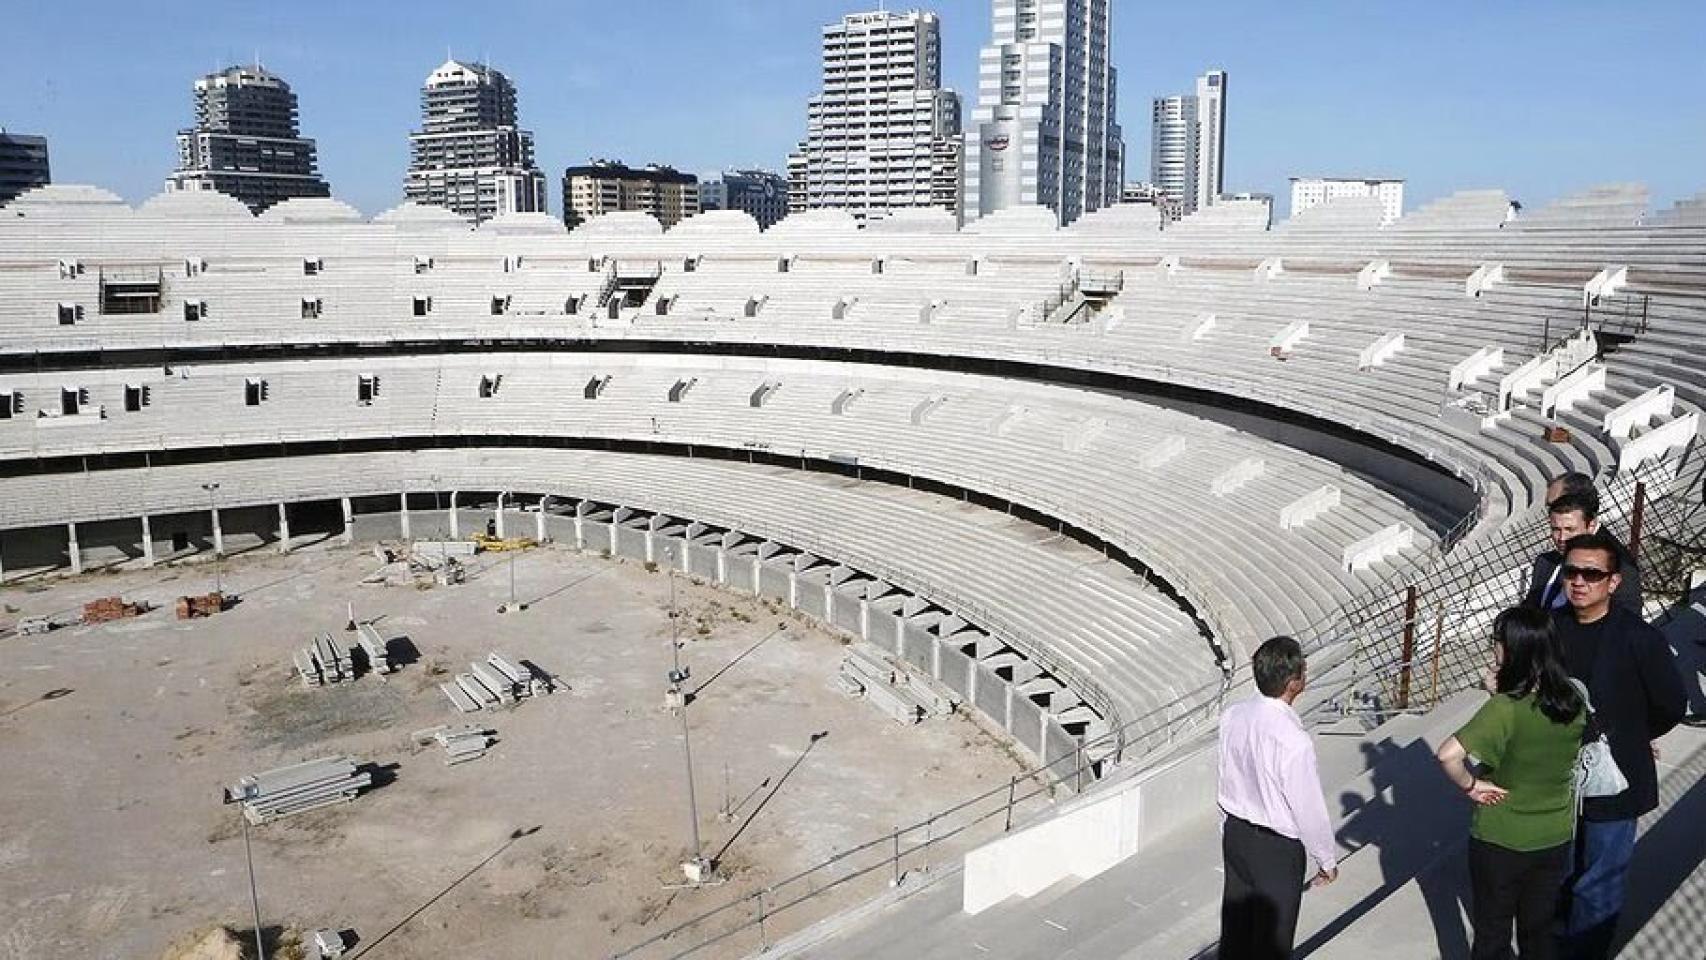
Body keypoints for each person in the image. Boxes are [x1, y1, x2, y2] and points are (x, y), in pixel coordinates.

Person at [1552, 532, 1687, 959]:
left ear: (1613, 583)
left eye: (1592, 574)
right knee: (1562, 871)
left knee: (1599, 880)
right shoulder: (1550, 630)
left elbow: (1670, 703)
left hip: (1616, 779)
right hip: (1557, 779)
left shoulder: (1639, 638)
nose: (1579, 581)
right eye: (1572, 572)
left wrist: (1632, 735)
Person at [1436, 607, 1585, 960]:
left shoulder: (1504, 708)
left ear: (1515, 649)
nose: (1494, 650)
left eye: (1498, 642)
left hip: (1501, 836)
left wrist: (1471, 786)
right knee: (1539, 932)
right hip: (1554, 834)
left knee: (1492, 934)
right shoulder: (1573, 700)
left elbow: (1448, 756)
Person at [1217, 636, 1338, 960]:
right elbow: (1308, 809)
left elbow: (1227, 775)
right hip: (1276, 848)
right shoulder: (1294, 741)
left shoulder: (1233, 715)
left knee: (1236, 934)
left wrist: (1227, 827)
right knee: (1272, 944)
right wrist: (1325, 860)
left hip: (1237, 833)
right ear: (1293, 683)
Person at [1523, 491, 1641, 615]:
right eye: (1556, 529)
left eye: (1570, 529)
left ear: (1591, 526)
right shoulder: (1545, 562)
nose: (1562, 538)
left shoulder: (1620, 568)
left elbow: (1627, 623)